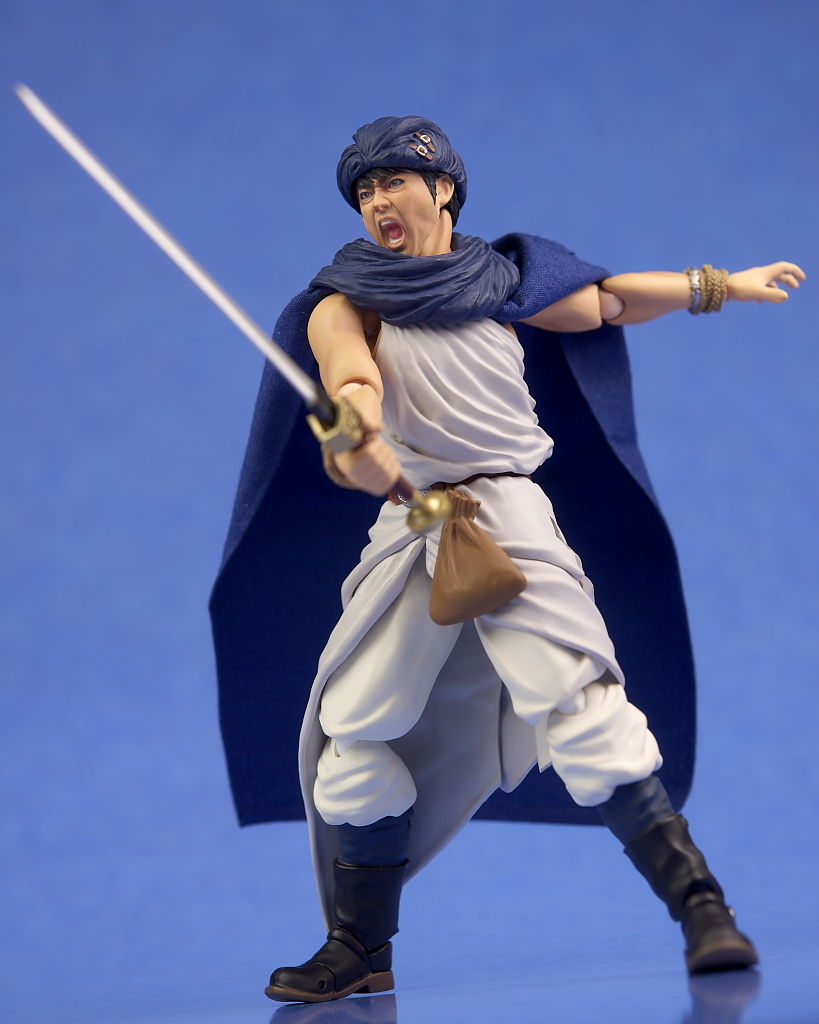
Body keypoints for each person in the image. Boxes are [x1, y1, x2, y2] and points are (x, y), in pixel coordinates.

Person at [209, 117, 804, 1004]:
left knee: (583, 709)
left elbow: (606, 302)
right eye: (364, 191)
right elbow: (350, 381)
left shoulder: (499, 282)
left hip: (512, 515)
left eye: (392, 182)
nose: (377, 202)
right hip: (411, 528)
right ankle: (359, 944)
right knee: (353, 732)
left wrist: (715, 284)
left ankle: (702, 912)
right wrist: (356, 439)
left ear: (442, 188)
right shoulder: (348, 301)